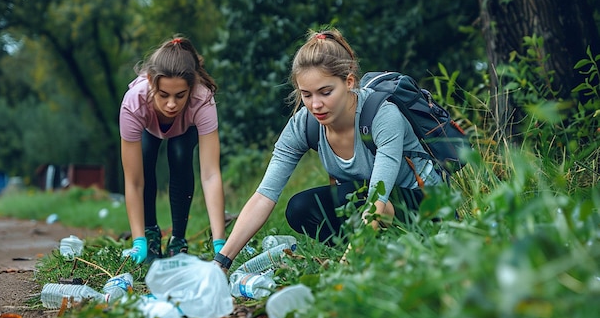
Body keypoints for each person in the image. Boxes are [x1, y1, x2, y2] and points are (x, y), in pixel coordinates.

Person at [212, 28, 443, 271]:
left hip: (424, 204)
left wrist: (345, 268)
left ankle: (366, 255)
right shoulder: (304, 124)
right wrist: (222, 261)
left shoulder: (383, 115)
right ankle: (374, 251)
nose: (316, 105)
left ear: (349, 82)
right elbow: (264, 196)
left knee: (364, 200)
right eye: (306, 95)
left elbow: (377, 199)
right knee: (300, 208)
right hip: (366, 203)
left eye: (325, 92)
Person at [119, 36, 226, 265]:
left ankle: (178, 239)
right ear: (150, 81)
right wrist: (137, 240)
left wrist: (220, 242)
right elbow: (133, 181)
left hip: (184, 130)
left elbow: (210, 174)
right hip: (149, 127)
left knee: (179, 154)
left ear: (191, 87)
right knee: (145, 157)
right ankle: (149, 234)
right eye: (163, 95)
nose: (171, 104)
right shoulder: (134, 102)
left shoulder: (202, 98)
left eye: (180, 96)